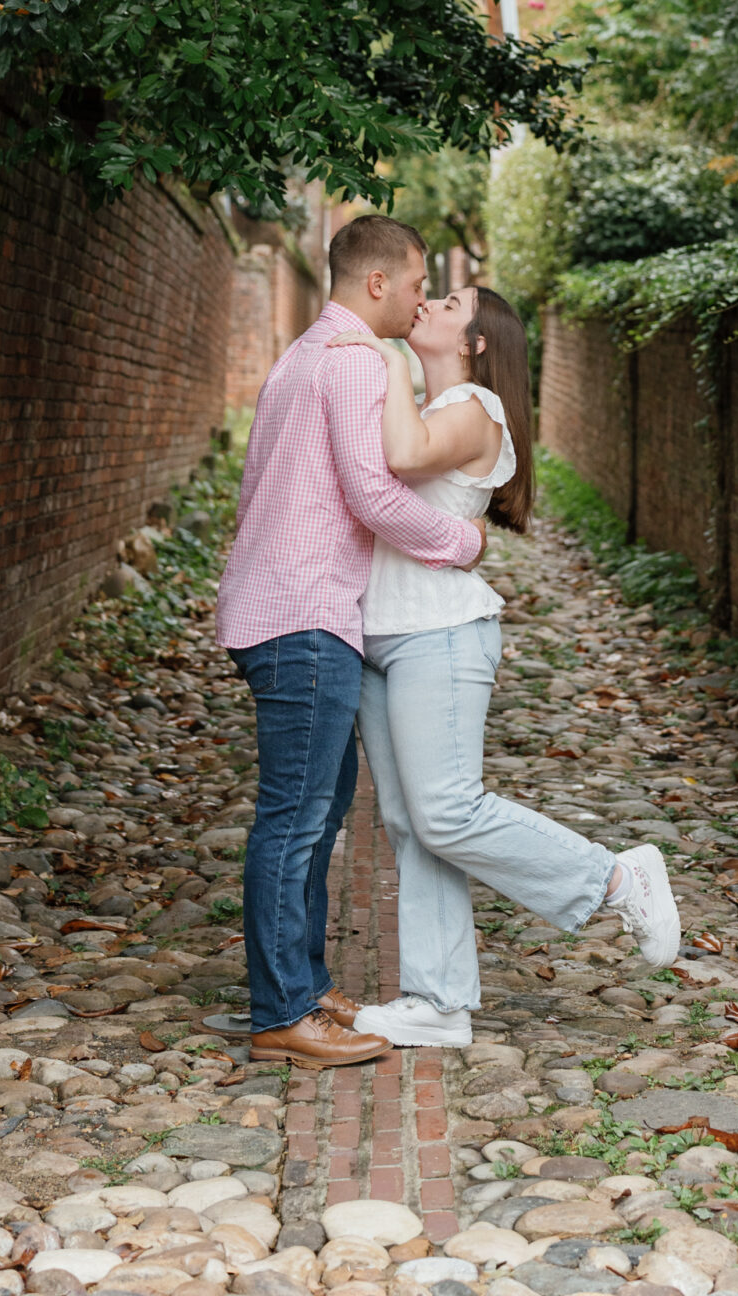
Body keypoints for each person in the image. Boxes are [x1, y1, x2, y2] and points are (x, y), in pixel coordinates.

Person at [329, 282, 681, 1048]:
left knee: (449, 809)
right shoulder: (425, 404)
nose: (428, 304)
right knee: (412, 826)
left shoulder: (476, 413)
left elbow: (401, 458)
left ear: (476, 343)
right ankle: (439, 1001)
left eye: (448, 302)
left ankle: (617, 878)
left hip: (440, 635)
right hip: (378, 634)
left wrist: (383, 355)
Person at [216, 215, 489, 1068]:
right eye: (414, 286)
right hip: (304, 617)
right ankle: (280, 1013)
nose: (418, 304)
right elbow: (373, 493)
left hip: (288, 610)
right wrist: (461, 543)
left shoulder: (301, 356)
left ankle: (304, 986)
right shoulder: (354, 361)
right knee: (295, 821)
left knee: (318, 813)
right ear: (378, 283)